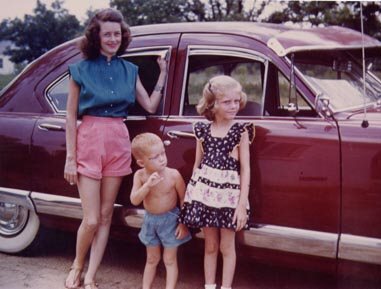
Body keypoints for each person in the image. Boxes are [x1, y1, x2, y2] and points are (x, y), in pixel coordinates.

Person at [63, 8, 167, 289]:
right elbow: (71, 117)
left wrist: (162, 73)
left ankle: (92, 275)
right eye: (107, 34)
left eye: (117, 34)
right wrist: (70, 158)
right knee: (92, 218)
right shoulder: (80, 70)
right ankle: (77, 265)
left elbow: (149, 105)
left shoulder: (129, 70)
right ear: (95, 37)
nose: (113, 39)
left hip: (118, 140)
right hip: (89, 139)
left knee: (107, 216)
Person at [179, 75, 255, 289]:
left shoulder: (240, 131)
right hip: (205, 197)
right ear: (213, 104)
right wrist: (190, 199)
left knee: (226, 246)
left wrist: (242, 205)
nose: (234, 106)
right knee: (210, 245)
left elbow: (245, 169)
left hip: (229, 198)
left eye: (236, 100)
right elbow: (197, 166)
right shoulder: (202, 130)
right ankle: (209, 285)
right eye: (227, 101)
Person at [130, 133, 191, 289]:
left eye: (163, 153)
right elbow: (135, 200)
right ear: (141, 162)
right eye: (155, 157)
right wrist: (147, 186)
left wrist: (183, 224)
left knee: (170, 259)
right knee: (151, 259)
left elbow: (184, 200)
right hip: (150, 221)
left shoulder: (173, 175)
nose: (162, 158)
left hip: (170, 220)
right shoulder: (140, 176)